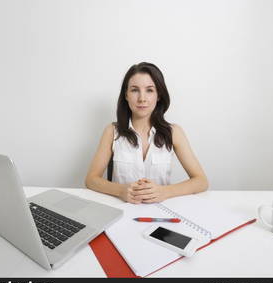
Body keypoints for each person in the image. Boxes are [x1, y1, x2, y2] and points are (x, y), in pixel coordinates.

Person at [85, 62, 208, 204]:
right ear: (126, 94)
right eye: (134, 90)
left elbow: (201, 181)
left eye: (149, 90)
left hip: (160, 212)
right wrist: (120, 190)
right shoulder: (112, 131)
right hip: (121, 210)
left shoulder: (174, 132)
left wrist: (165, 192)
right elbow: (91, 179)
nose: (142, 98)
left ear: (159, 95)